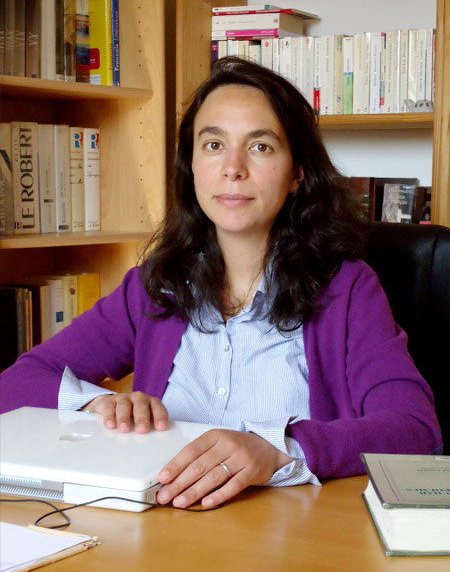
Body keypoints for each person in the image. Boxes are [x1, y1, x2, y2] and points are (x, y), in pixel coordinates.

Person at [0, 57, 442, 510]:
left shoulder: (347, 290)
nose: (233, 168)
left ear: (297, 172)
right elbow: (15, 384)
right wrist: (92, 405)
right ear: (191, 165)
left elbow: (416, 431)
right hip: (161, 531)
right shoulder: (155, 286)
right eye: (213, 144)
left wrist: (278, 450)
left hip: (295, 535)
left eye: (261, 147)